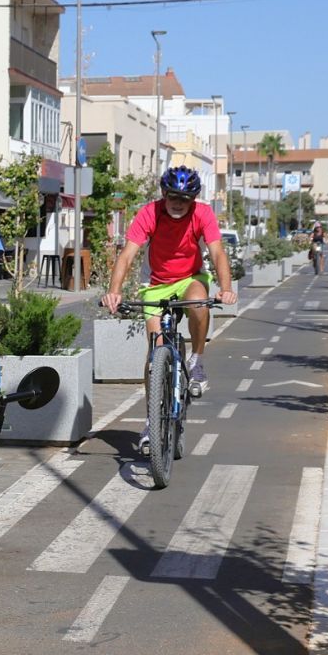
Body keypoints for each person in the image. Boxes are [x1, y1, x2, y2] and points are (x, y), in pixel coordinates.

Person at [101, 166, 237, 454]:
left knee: (200, 302)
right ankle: (152, 422)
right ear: (163, 194)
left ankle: (197, 361)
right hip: (156, 284)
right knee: (154, 358)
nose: (178, 203)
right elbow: (127, 255)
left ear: (194, 199)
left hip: (190, 279)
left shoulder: (203, 214)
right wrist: (114, 292)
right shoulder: (149, 213)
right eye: (173, 196)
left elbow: (217, 252)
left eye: (185, 198)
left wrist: (226, 288)